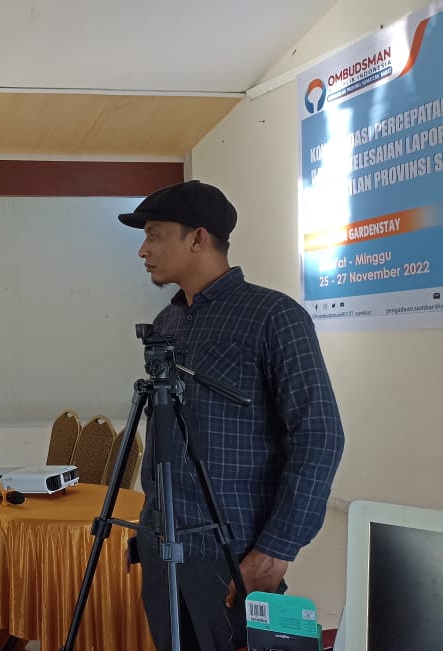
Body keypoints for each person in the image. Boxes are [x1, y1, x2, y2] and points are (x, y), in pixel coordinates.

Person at [118, 180, 345, 650]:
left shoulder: (274, 316)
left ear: (198, 238)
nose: (143, 250)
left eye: (155, 235)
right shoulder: (167, 322)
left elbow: (319, 435)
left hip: (232, 551)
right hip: (162, 544)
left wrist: (277, 548)